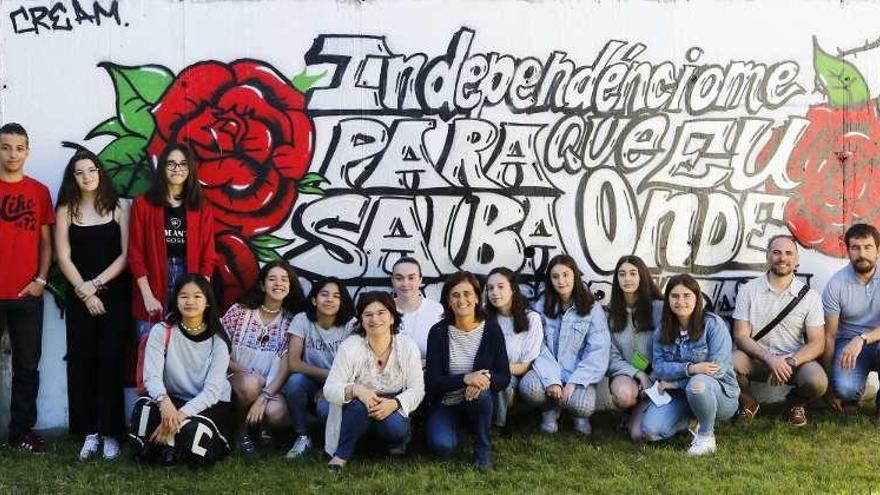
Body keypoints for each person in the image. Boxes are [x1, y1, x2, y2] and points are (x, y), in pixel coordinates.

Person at [55, 150, 131, 460]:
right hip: (79, 298)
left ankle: (112, 433)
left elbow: (126, 256)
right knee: (82, 361)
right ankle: (89, 432)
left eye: (92, 170)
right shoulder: (65, 210)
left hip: (113, 296)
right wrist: (84, 292)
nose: (87, 176)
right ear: (72, 178)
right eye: (80, 172)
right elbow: (63, 256)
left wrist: (96, 285)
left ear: (100, 172)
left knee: (111, 360)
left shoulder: (119, 206)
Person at [129, 274, 233, 467]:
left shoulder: (218, 341)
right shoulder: (162, 331)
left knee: (192, 431)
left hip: (208, 404)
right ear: (175, 300)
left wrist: (177, 416)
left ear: (208, 302)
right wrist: (165, 403)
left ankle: (170, 445)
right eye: (184, 296)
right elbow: (151, 376)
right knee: (144, 408)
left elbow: (211, 393)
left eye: (197, 296)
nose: (190, 301)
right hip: (172, 398)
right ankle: (166, 447)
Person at [732, 235, 827, 426]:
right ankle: (749, 402)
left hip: (794, 362)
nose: (782, 258)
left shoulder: (810, 297)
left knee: (818, 382)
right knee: (727, 363)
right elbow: (740, 335)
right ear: (768, 257)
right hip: (758, 359)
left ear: (797, 260)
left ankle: (794, 404)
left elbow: (818, 343)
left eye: (788, 253)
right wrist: (770, 358)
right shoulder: (748, 290)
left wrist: (790, 362)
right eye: (776, 252)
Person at [323, 291, 424, 470]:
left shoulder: (407, 346)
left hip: (391, 407)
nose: (375, 319)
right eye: (368, 314)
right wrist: (357, 390)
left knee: (394, 428)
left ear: (392, 318)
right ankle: (342, 455)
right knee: (358, 405)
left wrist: (394, 404)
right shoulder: (351, 346)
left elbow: (417, 389)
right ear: (361, 320)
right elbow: (329, 388)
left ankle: (391, 444)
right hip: (358, 409)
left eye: (381, 313)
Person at [641, 274, 739, 456]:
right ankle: (692, 419)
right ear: (668, 300)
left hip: (721, 396)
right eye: (675, 296)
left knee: (698, 384)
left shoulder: (714, 325)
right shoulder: (662, 331)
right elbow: (659, 367)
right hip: (680, 396)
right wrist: (691, 368)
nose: (681, 301)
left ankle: (706, 437)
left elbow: (717, 370)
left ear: (697, 298)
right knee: (650, 431)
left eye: (687, 296)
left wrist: (676, 383)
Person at [0, 123, 54, 452]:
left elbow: (46, 243)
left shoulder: (39, 191)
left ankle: (21, 433)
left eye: (19, 148)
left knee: (27, 366)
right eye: (6, 147)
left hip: (27, 296)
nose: (12, 154)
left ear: (27, 151)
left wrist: (41, 280)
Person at [425, 271, 510, 471]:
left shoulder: (491, 330)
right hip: (446, 403)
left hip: (477, 399)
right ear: (448, 300)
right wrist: (466, 379)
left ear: (477, 298)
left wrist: (485, 379)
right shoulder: (438, 333)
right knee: (442, 447)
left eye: (467, 293)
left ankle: (483, 450)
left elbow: (504, 377)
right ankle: (461, 428)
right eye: (455, 295)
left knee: (480, 394)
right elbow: (433, 382)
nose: (462, 300)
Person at [129, 144, 215, 339]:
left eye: (183, 164)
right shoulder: (144, 204)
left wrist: (201, 294)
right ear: (162, 168)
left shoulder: (201, 207)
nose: (177, 169)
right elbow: (135, 254)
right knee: (150, 343)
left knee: (185, 344)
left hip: (188, 276)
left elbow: (208, 255)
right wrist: (147, 296)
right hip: (153, 279)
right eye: (171, 164)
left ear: (190, 169)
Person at [520, 254, 610, 435]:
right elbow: (538, 346)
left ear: (575, 275)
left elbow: (598, 350)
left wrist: (575, 382)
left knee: (582, 405)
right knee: (529, 388)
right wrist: (552, 380)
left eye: (566, 274)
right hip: (548, 370)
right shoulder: (542, 306)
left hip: (577, 373)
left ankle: (578, 415)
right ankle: (549, 409)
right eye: (555, 276)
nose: (561, 281)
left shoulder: (592, 308)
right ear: (550, 280)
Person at [220, 261, 305, 454]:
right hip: (237, 380)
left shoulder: (292, 321)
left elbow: (285, 367)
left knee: (276, 413)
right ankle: (240, 433)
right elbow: (217, 350)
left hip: (270, 386)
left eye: (284, 280)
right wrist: (243, 370)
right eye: (272, 279)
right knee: (250, 384)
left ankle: (260, 429)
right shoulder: (240, 312)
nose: (279, 283)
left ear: (290, 287)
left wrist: (263, 398)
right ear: (262, 285)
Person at [283, 277, 355, 458]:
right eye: (324, 294)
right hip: (311, 379)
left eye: (336, 296)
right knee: (294, 382)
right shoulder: (302, 320)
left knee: (324, 411)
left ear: (342, 302)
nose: (330, 299)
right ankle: (302, 436)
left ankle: (331, 441)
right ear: (314, 300)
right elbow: (293, 363)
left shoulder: (350, 325)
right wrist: (327, 379)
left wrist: (330, 386)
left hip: (340, 383)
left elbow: (355, 369)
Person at [822, 223, 880, 417]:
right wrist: (829, 385)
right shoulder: (836, 284)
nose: (861, 253)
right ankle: (853, 395)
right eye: (855, 248)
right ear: (848, 251)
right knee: (846, 389)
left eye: (867, 247)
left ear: (878, 250)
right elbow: (829, 336)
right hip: (847, 345)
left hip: (872, 339)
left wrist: (862, 338)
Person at [606, 255, 663, 442]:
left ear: (642, 276)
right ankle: (629, 411)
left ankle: (647, 413)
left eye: (632, 273)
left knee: (638, 435)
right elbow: (611, 355)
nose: (627, 279)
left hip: (659, 377)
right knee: (624, 395)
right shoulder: (611, 314)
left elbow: (668, 348)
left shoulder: (659, 309)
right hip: (626, 374)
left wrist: (651, 377)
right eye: (622, 274)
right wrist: (638, 373)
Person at [484, 267, 543, 429]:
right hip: (482, 370)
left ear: (513, 289)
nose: (495, 292)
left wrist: (494, 371)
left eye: (501, 287)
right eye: (490, 288)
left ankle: (499, 424)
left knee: (503, 385)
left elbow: (525, 365)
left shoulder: (531, 319)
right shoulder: (484, 315)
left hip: (513, 373)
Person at [392, 257, 444, 362]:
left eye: (411, 278)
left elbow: (443, 353)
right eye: (399, 278)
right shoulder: (383, 310)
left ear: (420, 280)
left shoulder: (436, 311)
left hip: (426, 376)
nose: (405, 283)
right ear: (392, 280)